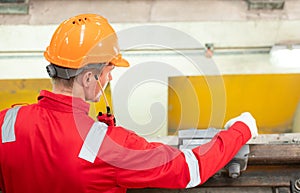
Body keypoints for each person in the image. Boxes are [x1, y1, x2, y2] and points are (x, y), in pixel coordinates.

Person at [0, 13, 258, 193]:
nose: (110, 76)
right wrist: (241, 130)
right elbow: (189, 168)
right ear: (90, 77)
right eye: (108, 70)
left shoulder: (7, 121)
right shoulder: (110, 147)